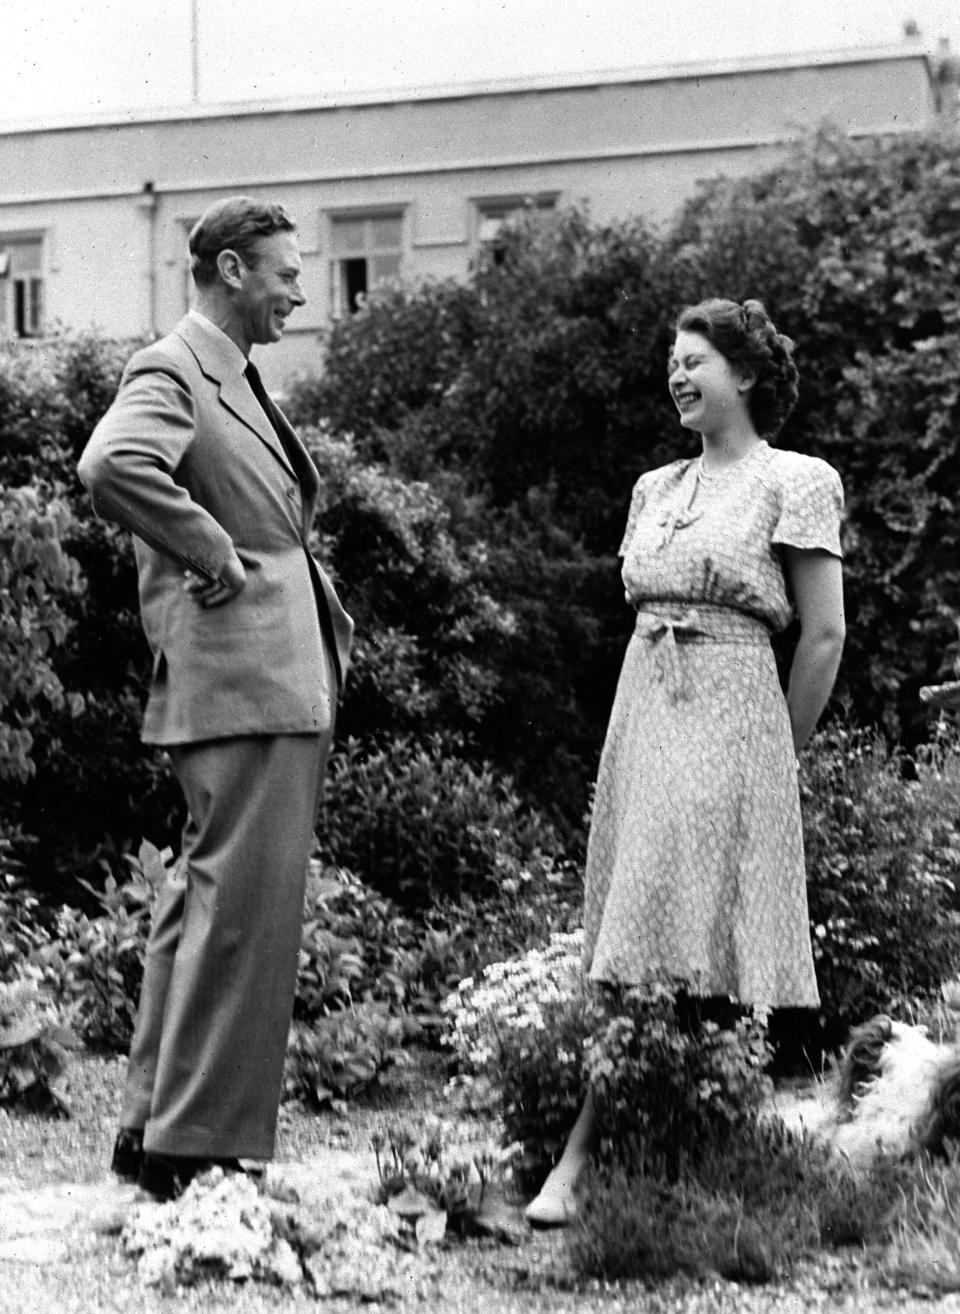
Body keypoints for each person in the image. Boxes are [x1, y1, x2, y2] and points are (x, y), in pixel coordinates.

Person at [525, 297, 845, 1226]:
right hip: (647, 709)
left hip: (733, 708)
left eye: (696, 358)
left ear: (744, 376)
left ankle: (582, 1158)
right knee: (648, 922)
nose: (677, 373)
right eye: (673, 359)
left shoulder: (799, 479)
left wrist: (776, 755)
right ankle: (680, 1143)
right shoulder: (654, 489)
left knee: (669, 933)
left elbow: (822, 636)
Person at [77, 196, 353, 1201]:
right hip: (244, 672)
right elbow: (111, 465)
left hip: (261, 671)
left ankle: (155, 1128)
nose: (298, 288)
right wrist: (212, 553)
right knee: (244, 906)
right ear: (232, 271)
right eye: (285, 271)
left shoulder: (227, 374)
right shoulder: (176, 365)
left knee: (204, 900)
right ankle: (197, 1147)